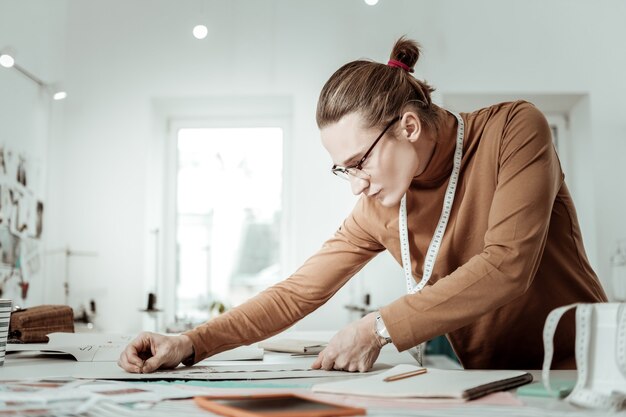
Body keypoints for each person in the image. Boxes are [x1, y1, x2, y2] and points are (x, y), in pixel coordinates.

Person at [118, 37, 607, 374]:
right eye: (343, 170)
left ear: (408, 128)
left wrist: (378, 328)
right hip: (492, 382)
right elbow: (296, 294)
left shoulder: (513, 131)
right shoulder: (380, 206)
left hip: (584, 369)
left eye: (359, 163)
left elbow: (508, 265)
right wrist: (193, 342)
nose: (355, 186)